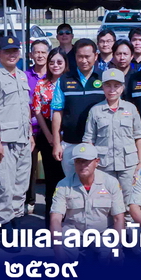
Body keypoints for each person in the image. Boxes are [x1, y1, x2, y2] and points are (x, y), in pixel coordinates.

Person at [0, 36, 35, 231]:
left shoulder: (21, 76)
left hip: (22, 140)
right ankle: (5, 226)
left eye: (15, 51)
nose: (12, 55)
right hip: (4, 142)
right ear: (0, 53)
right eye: (7, 51)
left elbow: (25, 108)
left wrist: (30, 134)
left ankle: (17, 221)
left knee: (20, 187)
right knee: (5, 187)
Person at [49, 144, 126, 262]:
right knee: (63, 255)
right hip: (74, 231)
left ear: (96, 162)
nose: (82, 165)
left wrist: (117, 247)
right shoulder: (63, 185)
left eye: (86, 161)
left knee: (113, 260)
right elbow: (55, 219)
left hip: (103, 232)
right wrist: (58, 250)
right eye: (78, 161)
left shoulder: (111, 183)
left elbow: (118, 218)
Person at [83, 68, 141, 206]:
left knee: (130, 199)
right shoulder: (95, 110)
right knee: (105, 199)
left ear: (122, 88)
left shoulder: (131, 108)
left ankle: (128, 220)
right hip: (104, 164)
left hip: (128, 164)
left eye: (116, 86)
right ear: (103, 87)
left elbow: (139, 137)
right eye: (108, 85)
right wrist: (92, 163)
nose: (112, 90)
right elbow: (88, 140)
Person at [52, 38, 104, 177]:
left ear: (96, 56)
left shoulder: (104, 78)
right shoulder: (64, 80)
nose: (83, 60)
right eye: (80, 56)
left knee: (97, 183)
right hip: (71, 142)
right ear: (75, 57)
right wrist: (57, 143)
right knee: (71, 183)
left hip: (98, 143)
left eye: (87, 56)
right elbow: (57, 112)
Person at [33, 48, 67, 222]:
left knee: (67, 176)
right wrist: (49, 135)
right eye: (52, 62)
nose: (55, 65)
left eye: (59, 62)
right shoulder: (41, 84)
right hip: (47, 132)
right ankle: (51, 219)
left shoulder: (70, 83)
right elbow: (37, 110)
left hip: (67, 133)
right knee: (52, 178)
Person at [24, 39, 50, 209]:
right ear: (31, 55)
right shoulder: (24, 76)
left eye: (43, 52)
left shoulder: (54, 75)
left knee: (50, 167)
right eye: (37, 52)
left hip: (49, 129)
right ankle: (30, 201)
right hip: (30, 129)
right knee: (29, 167)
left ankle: (51, 202)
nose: (40, 55)